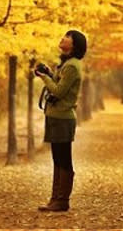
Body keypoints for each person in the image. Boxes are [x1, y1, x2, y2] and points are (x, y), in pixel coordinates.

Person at [34, 30, 87, 212]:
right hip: (57, 116)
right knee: (57, 159)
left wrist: (45, 78)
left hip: (63, 118)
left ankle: (62, 200)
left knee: (63, 160)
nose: (63, 38)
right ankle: (55, 199)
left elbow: (57, 91)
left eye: (67, 37)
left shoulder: (72, 66)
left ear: (74, 44)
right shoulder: (66, 64)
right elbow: (58, 84)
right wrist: (49, 72)